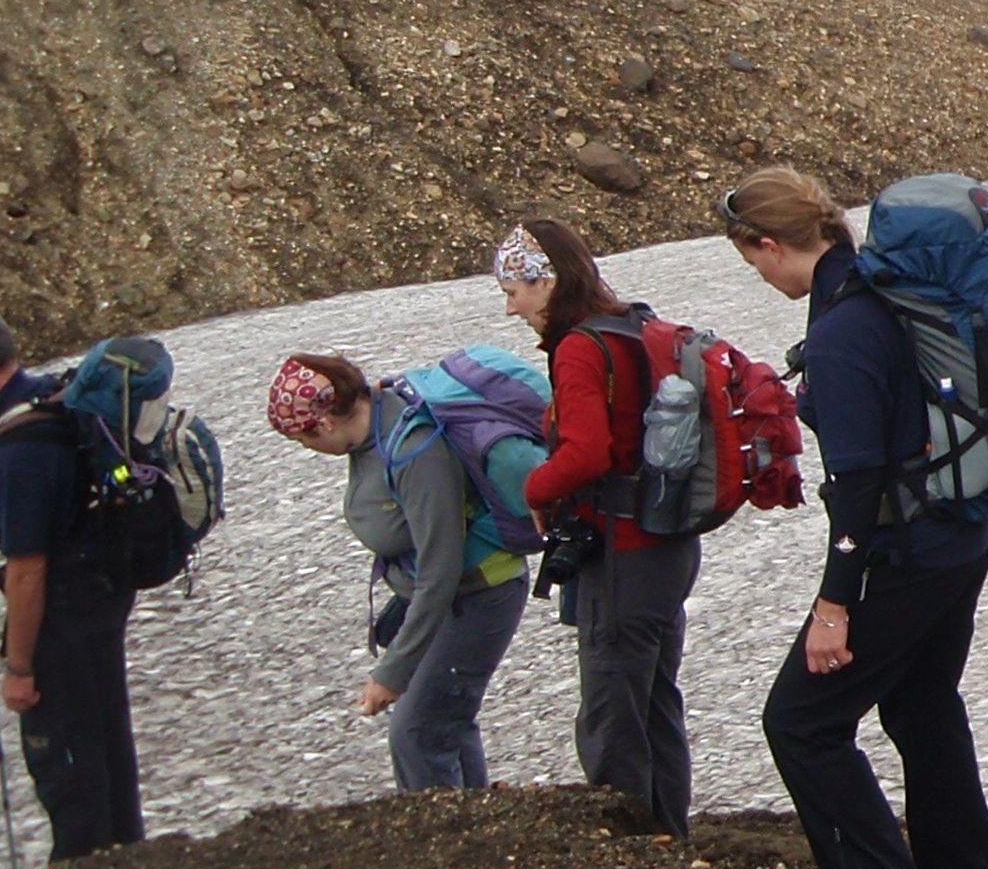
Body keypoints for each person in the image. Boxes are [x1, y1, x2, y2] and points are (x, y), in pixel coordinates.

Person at [720, 167, 988, 869]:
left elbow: (856, 483)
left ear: (771, 245)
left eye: (753, 261)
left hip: (910, 550)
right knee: (921, 702)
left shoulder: (842, 330)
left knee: (801, 724)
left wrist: (833, 607)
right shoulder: (885, 291)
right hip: (966, 530)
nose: (760, 275)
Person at [500, 219, 701, 836]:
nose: (511, 308)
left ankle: (634, 855)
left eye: (515, 290)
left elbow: (585, 453)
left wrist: (533, 489)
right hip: (666, 546)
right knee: (655, 701)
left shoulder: (580, 347)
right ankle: (672, 836)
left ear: (549, 281)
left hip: (622, 553)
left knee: (613, 709)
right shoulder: (632, 326)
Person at [0, 306, 143, 860]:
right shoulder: (50, 397)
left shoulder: (18, 454)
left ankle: (84, 866)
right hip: (104, 591)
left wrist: (19, 669)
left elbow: (29, 571)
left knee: (67, 757)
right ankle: (128, 854)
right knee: (107, 737)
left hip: (65, 612)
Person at [265, 354, 531, 790]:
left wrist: (393, 672)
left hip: (479, 594)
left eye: (301, 440)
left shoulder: (412, 449)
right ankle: (480, 826)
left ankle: (447, 844)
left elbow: (440, 569)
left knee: (417, 734)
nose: (306, 449)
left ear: (325, 424)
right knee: (445, 724)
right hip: (448, 598)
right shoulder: (372, 432)